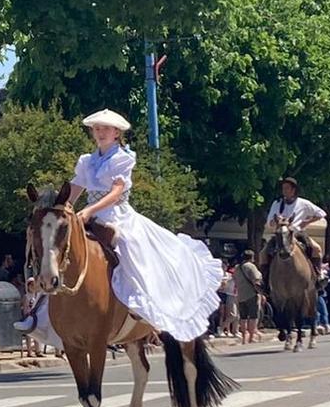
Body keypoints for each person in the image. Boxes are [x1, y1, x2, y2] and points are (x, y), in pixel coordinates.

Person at [20, 109, 222, 346]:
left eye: (105, 129)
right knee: (60, 249)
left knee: (127, 246)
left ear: (116, 133)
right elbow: (74, 190)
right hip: (87, 216)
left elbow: (116, 193)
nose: (100, 132)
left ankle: (141, 305)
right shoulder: (87, 161)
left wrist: (89, 210)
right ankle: (41, 311)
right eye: (97, 129)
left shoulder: (122, 157)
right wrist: (62, 210)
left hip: (116, 215)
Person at [259, 177, 326, 287]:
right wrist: (276, 222)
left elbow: (321, 213)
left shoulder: (303, 203)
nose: (284, 191)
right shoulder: (277, 204)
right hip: (280, 234)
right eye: (283, 188)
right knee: (262, 254)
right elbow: (269, 223)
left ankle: (319, 275)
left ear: (293, 190)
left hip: (297, 234)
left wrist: (307, 222)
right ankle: (264, 281)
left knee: (317, 249)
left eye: (287, 188)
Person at [235, 250, 263, 344]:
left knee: (243, 317)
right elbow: (256, 280)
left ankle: (243, 338)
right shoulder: (251, 266)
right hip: (251, 294)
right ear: (252, 257)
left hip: (240, 295)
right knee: (253, 316)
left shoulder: (237, 268)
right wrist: (261, 293)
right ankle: (251, 337)